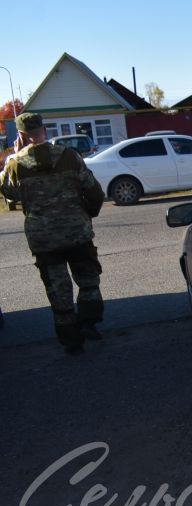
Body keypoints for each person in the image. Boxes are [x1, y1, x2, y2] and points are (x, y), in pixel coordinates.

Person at [0, 113, 105, 354]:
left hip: (44, 239)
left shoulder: (16, 164)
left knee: (59, 290)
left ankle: (71, 341)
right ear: (43, 130)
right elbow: (94, 191)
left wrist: (12, 156)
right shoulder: (69, 156)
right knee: (88, 281)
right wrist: (87, 214)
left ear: (21, 135)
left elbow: (8, 192)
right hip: (77, 233)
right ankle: (89, 324)